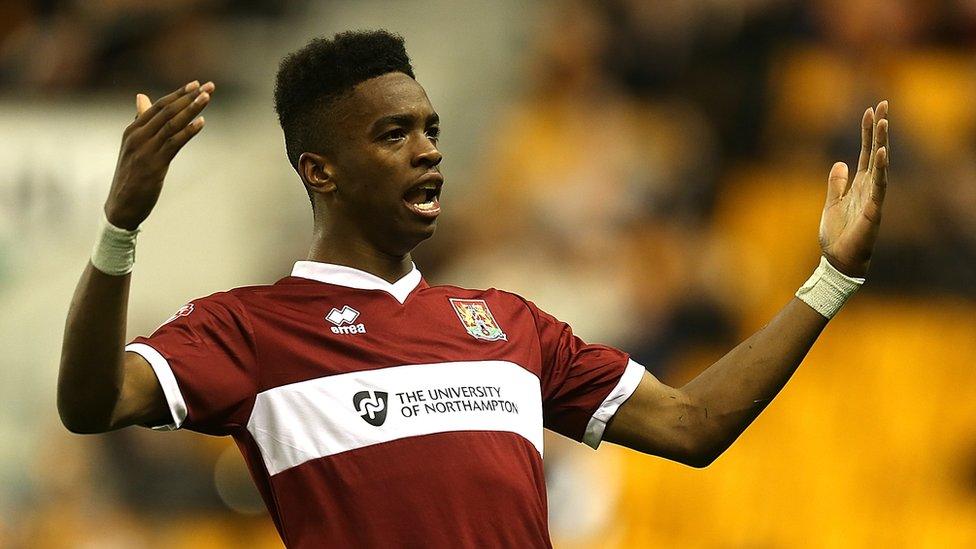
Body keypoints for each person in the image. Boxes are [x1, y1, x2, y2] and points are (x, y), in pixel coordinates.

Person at [57, 30, 889, 548]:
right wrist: (120, 228)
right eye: (395, 134)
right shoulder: (251, 329)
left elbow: (693, 424)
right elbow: (90, 401)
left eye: (432, 129)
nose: (429, 151)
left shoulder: (508, 323)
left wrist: (832, 276)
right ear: (322, 171)